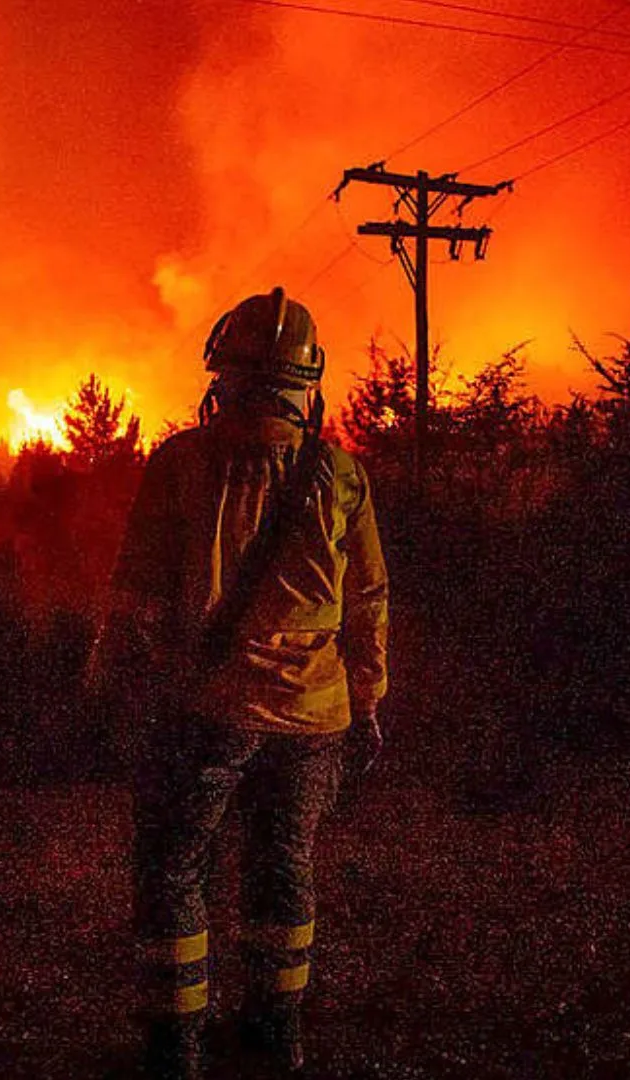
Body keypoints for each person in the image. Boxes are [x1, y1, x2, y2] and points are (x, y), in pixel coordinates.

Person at [101, 287, 389, 1078]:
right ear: (308, 382)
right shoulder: (342, 477)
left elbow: (136, 594)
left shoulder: (182, 466)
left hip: (210, 709)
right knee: (284, 865)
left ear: (222, 373)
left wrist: (111, 685)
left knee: (174, 868)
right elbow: (368, 602)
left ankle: (177, 1045)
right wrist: (366, 703)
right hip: (316, 716)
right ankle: (276, 1036)